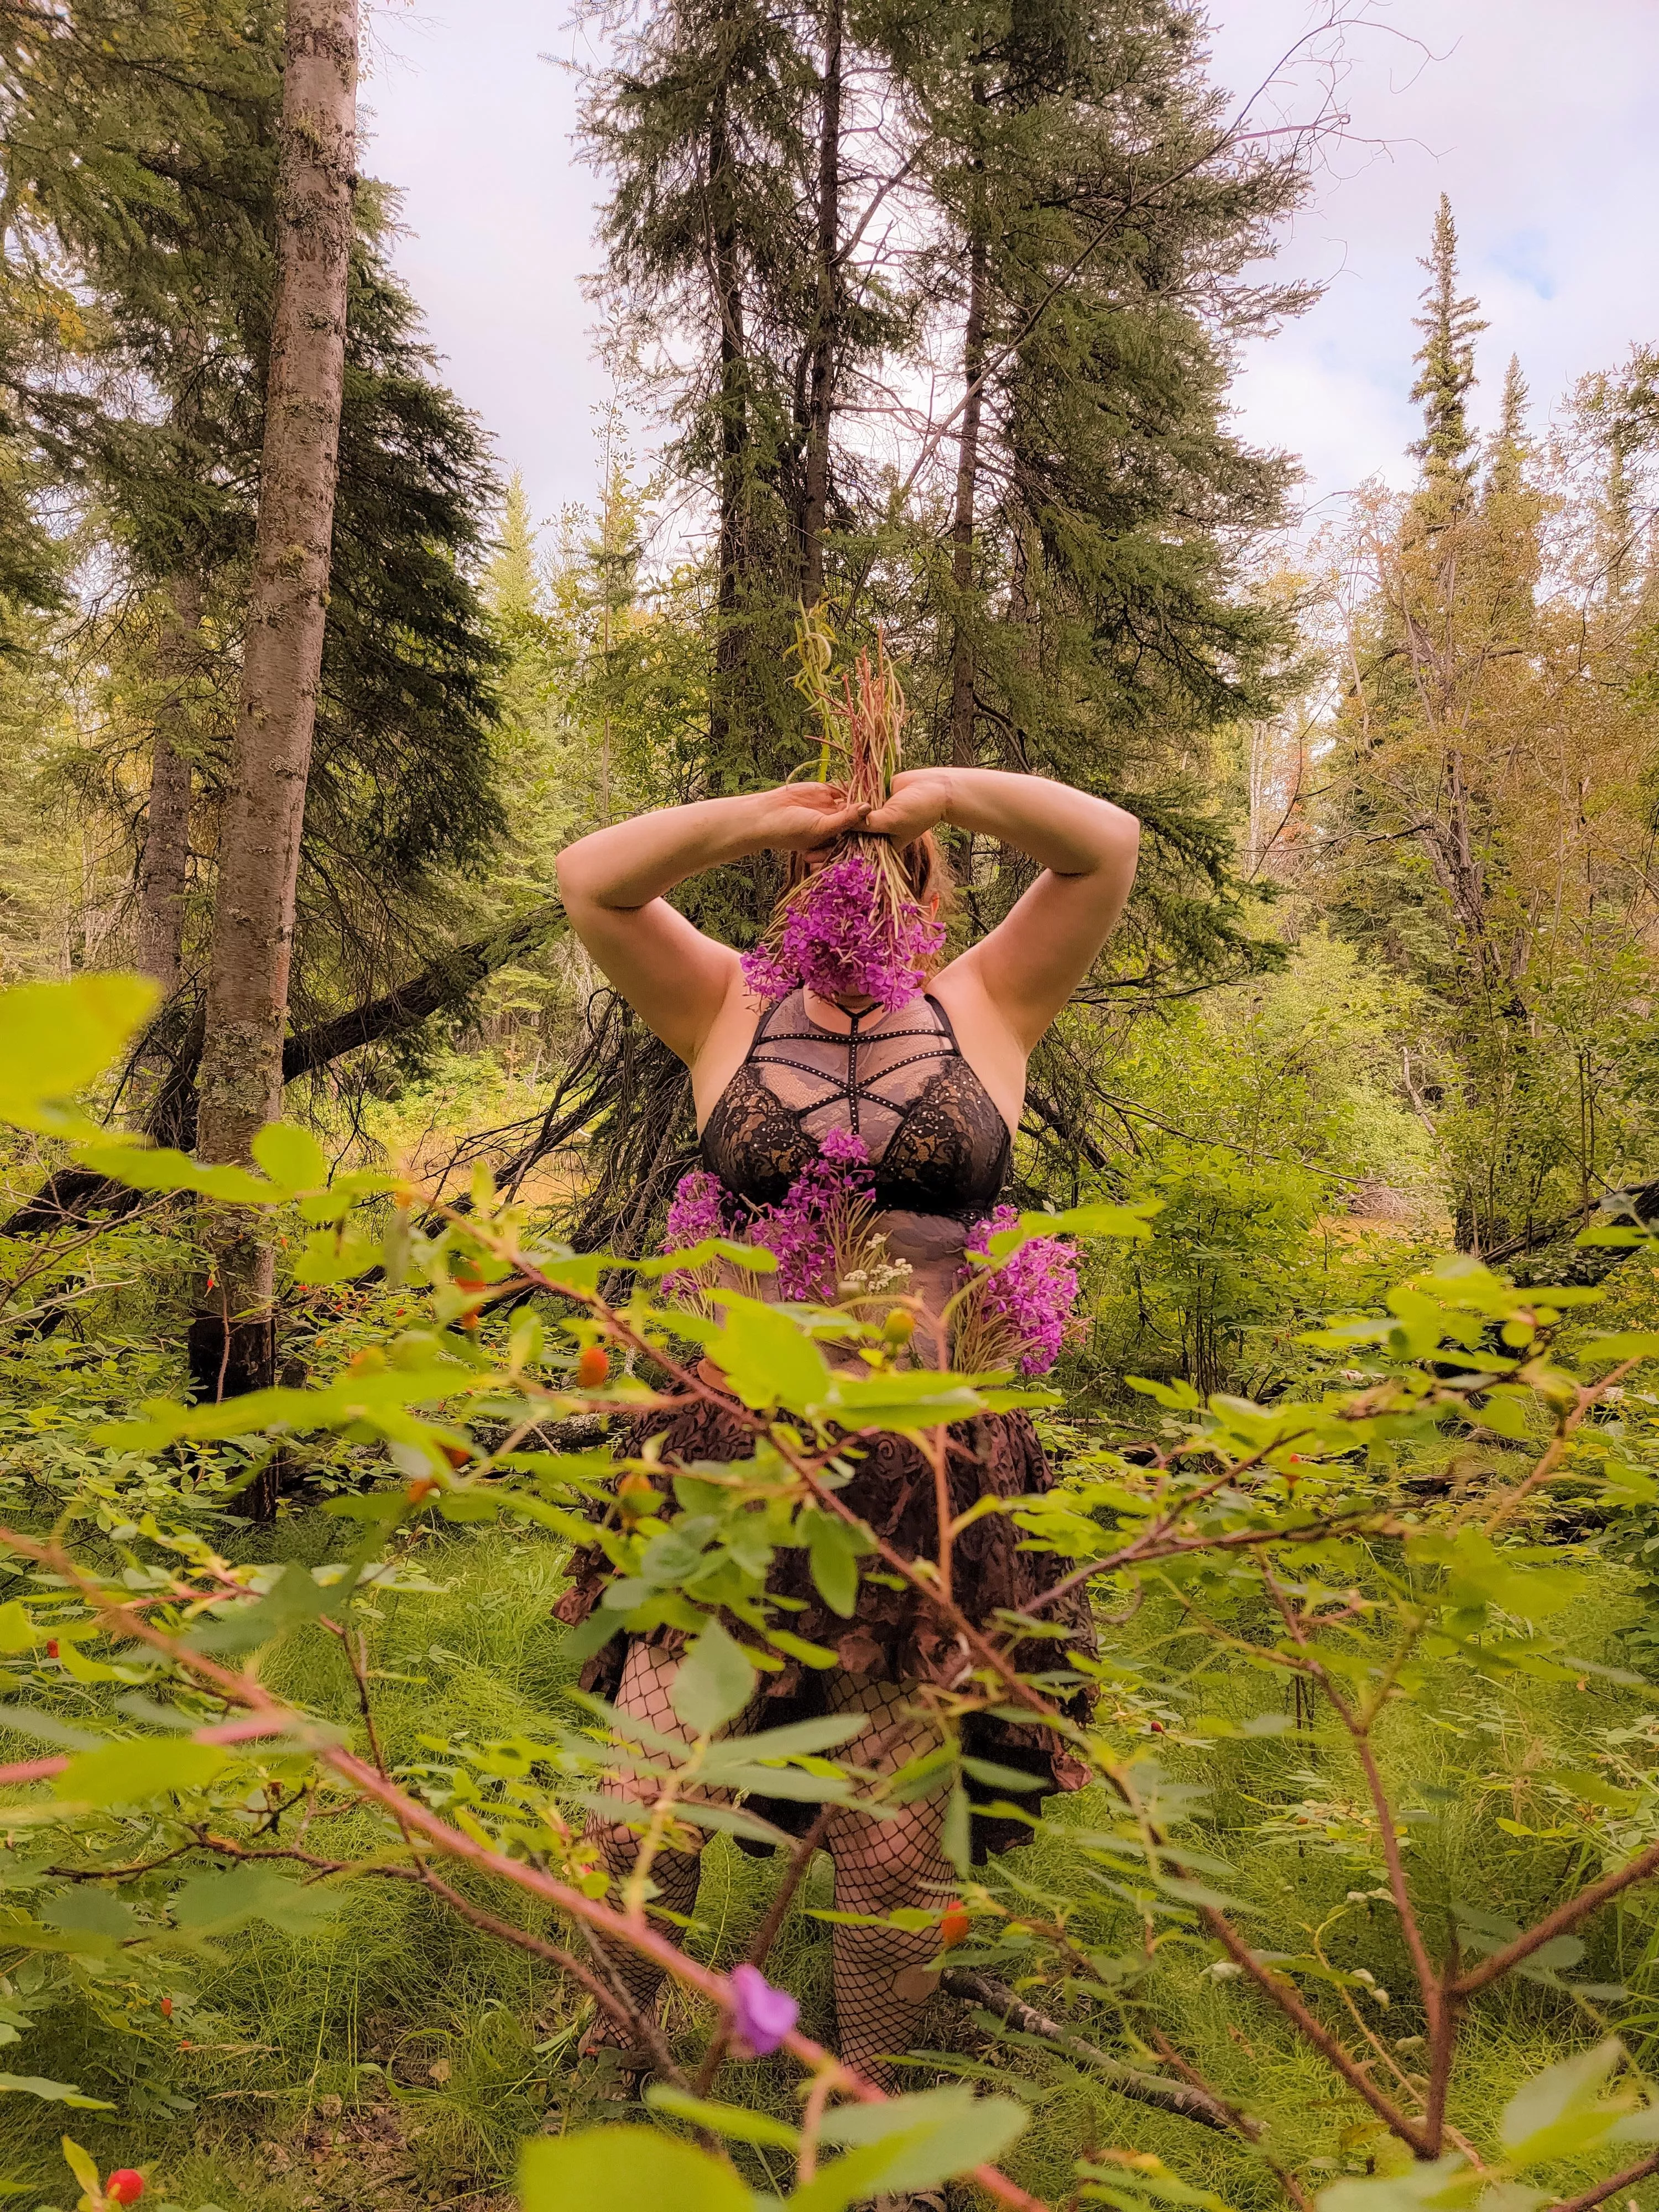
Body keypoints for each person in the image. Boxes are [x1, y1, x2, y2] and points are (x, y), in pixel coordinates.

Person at [555, 765, 1140, 2088]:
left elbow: (1104, 846)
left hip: (926, 1466)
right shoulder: (721, 1002)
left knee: (886, 1844)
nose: (862, 887)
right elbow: (593, 874)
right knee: (655, 1798)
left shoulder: (991, 998)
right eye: (831, 872)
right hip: (731, 1453)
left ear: (934, 884)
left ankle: (872, 2112)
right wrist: (778, 814)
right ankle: (624, 2073)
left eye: (890, 864)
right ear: (793, 891)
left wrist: (938, 791)